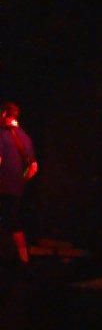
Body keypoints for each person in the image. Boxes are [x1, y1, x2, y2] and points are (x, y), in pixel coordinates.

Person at [0, 101, 38, 268]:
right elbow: (34, 167)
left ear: (3, 114)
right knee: (13, 222)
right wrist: (20, 181)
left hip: (2, 186)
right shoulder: (25, 137)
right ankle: (24, 259)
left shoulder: (1, 134)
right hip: (15, 188)